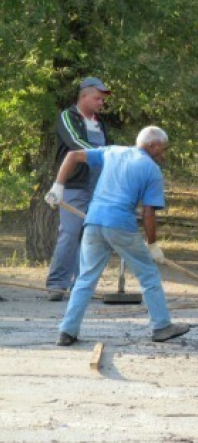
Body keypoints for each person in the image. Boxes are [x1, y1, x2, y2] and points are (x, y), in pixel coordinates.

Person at [45, 126, 190, 345]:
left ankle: (67, 331)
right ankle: (161, 326)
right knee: (148, 275)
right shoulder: (151, 170)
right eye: (163, 149)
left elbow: (72, 155)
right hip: (121, 225)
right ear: (154, 145)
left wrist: (58, 187)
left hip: (93, 222)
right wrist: (152, 245)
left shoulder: (113, 151)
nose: (164, 154)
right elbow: (148, 213)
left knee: (85, 278)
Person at [45, 77, 113, 302]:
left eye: (102, 100)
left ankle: (80, 285)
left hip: (98, 186)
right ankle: (57, 284)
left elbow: (109, 148)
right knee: (70, 233)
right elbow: (76, 144)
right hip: (75, 185)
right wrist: (106, 155)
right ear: (83, 96)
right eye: (97, 98)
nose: (101, 103)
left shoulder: (100, 123)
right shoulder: (68, 117)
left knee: (92, 236)